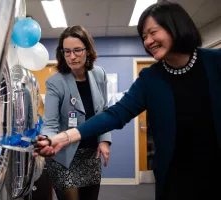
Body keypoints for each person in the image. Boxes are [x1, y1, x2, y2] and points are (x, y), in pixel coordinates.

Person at [35, 2, 221, 200]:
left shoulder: (215, 62)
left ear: (175, 26)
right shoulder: (150, 78)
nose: (148, 42)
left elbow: (102, 108)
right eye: (144, 37)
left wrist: (103, 141)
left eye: (153, 32)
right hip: (174, 178)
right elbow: (115, 114)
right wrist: (60, 138)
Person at [40, 25, 112, 200]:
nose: (72, 57)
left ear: (87, 50)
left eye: (77, 50)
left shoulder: (99, 74)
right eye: (67, 51)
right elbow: (50, 123)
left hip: (90, 156)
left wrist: (104, 141)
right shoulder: (55, 82)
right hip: (64, 156)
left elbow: (102, 112)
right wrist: (48, 141)